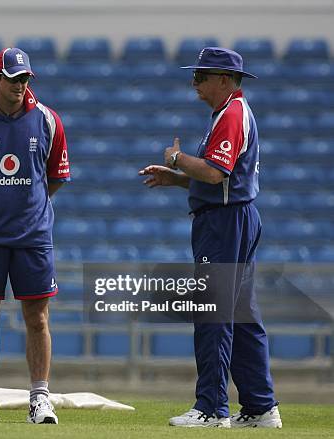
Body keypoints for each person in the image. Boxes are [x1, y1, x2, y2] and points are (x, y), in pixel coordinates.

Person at [139, 47, 282, 428]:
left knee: (213, 315)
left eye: (202, 76)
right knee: (242, 316)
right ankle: (259, 407)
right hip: (233, 217)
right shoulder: (228, 113)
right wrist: (180, 179)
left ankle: (212, 408)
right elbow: (223, 177)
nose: (195, 83)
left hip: (224, 223)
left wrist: (176, 159)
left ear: (224, 79)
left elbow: (217, 174)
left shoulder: (232, 114)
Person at [0, 47, 71, 424]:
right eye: (13, 78)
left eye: (25, 79)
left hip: (33, 236)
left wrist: (25, 206)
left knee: (37, 318)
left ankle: (40, 399)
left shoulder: (48, 121)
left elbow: (53, 179)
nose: (20, 85)